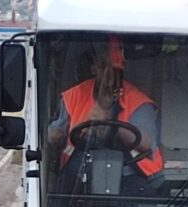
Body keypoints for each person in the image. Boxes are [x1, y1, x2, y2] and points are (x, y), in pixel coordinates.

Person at [48, 37, 164, 197]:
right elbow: (53, 134)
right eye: (103, 66)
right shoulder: (74, 96)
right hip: (77, 176)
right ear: (93, 67)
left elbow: (145, 143)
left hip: (129, 177)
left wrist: (111, 124)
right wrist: (57, 135)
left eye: (114, 69)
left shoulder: (138, 101)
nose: (108, 74)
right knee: (57, 197)